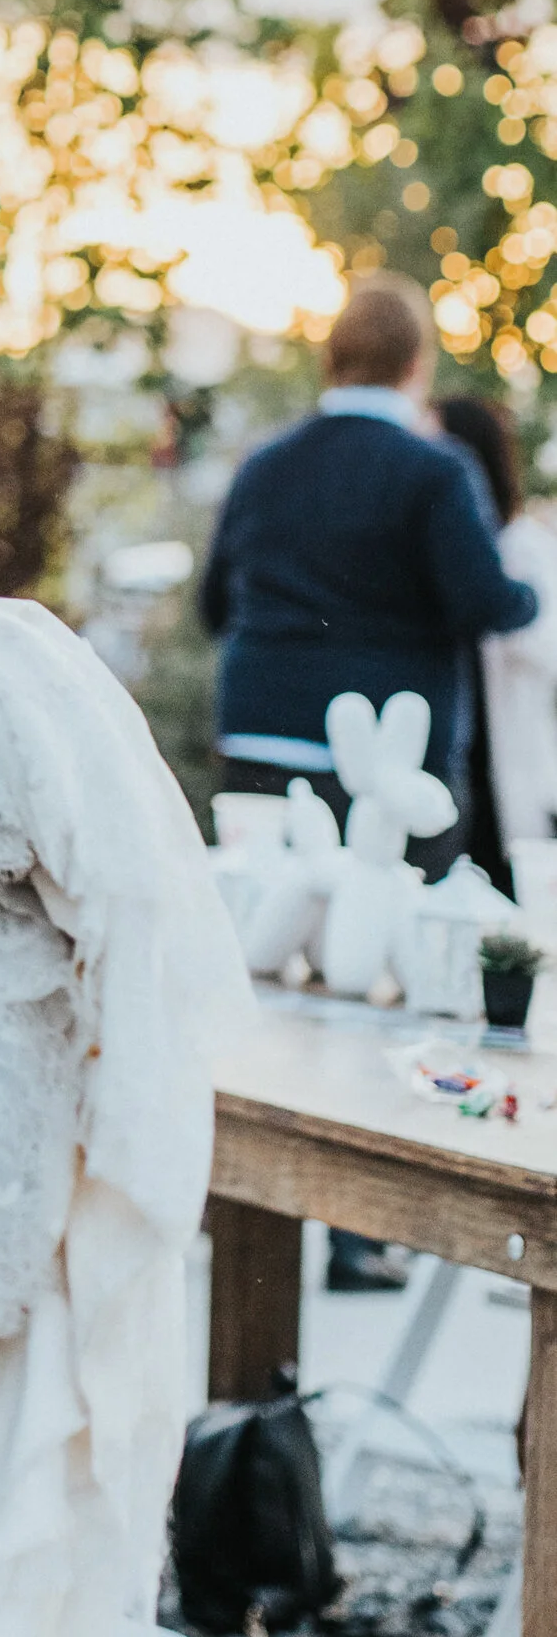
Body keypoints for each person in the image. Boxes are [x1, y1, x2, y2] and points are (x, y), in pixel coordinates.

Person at [202, 273, 538, 1286]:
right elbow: (484, 599)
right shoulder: (432, 471)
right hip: (381, 760)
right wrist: (528, 592)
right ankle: (361, 1230)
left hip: (262, 735)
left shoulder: (265, 465)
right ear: (415, 363)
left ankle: (235, 1182)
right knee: (386, 976)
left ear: (331, 356)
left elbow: (215, 602)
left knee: (267, 962)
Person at [436, 388, 557, 885]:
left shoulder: (523, 548)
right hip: (460, 759)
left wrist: (498, 605)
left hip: (511, 759)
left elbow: (549, 649)